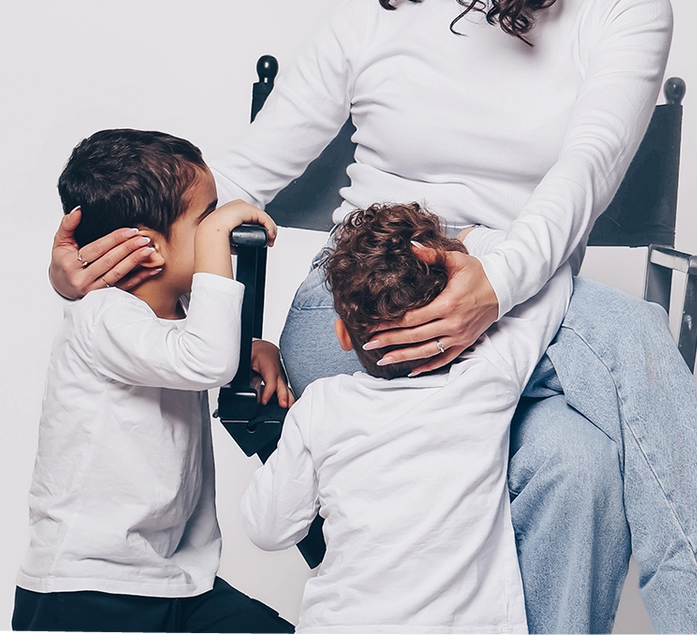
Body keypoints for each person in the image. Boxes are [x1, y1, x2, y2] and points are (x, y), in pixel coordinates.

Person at [48, 0, 697, 635]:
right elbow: (242, 174)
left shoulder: (625, 10)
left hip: (523, 288)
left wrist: (490, 284)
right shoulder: (368, 17)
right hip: (365, 297)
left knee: (576, 467)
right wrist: (108, 277)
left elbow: (588, 170)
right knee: (630, 338)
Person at [13, 129, 295, 635]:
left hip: (173, 581)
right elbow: (201, 359)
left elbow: (195, 349)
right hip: (87, 590)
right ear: (146, 246)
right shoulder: (101, 315)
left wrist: (254, 349)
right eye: (206, 218)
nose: (220, 231)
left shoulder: (178, 323)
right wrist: (214, 243)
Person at [242, 203, 570, 634]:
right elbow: (553, 274)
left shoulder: (322, 404)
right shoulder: (488, 378)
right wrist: (471, 247)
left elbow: (268, 529)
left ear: (341, 335)